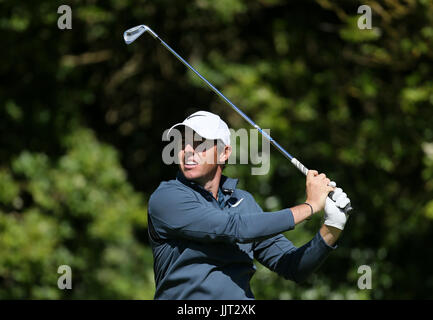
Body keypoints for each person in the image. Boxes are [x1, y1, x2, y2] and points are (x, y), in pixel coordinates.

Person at [148, 110, 351, 300]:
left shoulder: (243, 202)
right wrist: (310, 206)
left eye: (200, 144)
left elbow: (293, 267)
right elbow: (233, 228)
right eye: (183, 144)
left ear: (224, 153)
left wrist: (332, 227)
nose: (188, 151)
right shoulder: (167, 198)